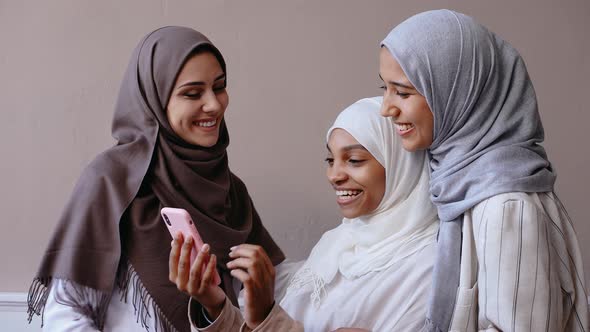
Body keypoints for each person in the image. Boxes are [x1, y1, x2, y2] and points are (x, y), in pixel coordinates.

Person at [26, 26, 284, 331]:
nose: (214, 104)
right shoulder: (111, 181)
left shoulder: (231, 190)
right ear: (154, 100)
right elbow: (66, 314)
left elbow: (265, 299)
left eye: (219, 86)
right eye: (192, 93)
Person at [378, 9, 589, 331]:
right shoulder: (453, 179)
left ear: (458, 93)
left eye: (403, 92)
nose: (386, 109)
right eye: (385, 89)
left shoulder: (506, 204)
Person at [170, 96, 440, 331]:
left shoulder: (427, 266)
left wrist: (266, 316)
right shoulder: (337, 244)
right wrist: (213, 302)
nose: (334, 175)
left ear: (399, 166)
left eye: (354, 160)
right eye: (330, 160)